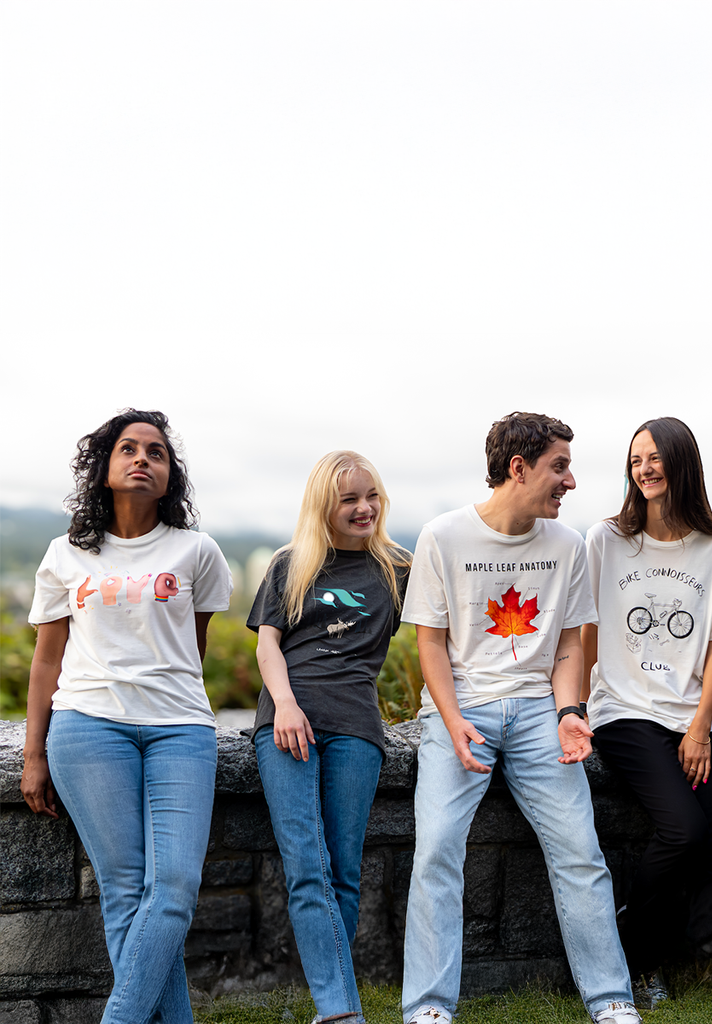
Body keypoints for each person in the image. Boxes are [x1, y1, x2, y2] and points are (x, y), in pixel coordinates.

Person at [400, 412, 640, 1024]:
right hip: (462, 709)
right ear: (518, 468)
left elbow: (566, 645)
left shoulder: (566, 545)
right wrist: (451, 721)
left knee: (580, 852)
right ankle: (428, 1008)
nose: (571, 481)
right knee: (435, 852)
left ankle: (611, 1000)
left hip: (539, 710)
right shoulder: (443, 536)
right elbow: (430, 643)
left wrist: (568, 711)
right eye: (560, 466)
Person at [20, 409, 233, 1024]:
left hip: (181, 731)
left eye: (157, 452)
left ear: (170, 477)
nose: (143, 458)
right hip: (88, 727)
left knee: (172, 891)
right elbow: (46, 661)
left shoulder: (198, 551)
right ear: (104, 469)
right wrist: (34, 755)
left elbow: (190, 647)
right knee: (123, 894)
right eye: (129, 449)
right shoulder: (65, 554)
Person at [582, 416, 712, 1005]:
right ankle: (624, 944)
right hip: (623, 710)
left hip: (689, 714)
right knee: (682, 829)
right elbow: (586, 627)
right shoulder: (606, 538)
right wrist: (576, 705)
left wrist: (701, 726)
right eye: (636, 460)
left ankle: (655, 964)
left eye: (655, 457)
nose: (645, 469)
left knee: (706, 843)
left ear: (682, 463)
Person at [247, 451, 411, 1024]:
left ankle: (334, 1011)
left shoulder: (397, 569)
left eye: (372, 497)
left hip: (357, 726)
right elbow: (268, 644)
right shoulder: (290, 564)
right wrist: (286, 705)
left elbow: (447, 631)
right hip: (288, 721)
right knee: (307, 866)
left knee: (342, 869)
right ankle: (343, 1013)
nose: (364, 508)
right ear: (325, 505)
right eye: (349, 499)